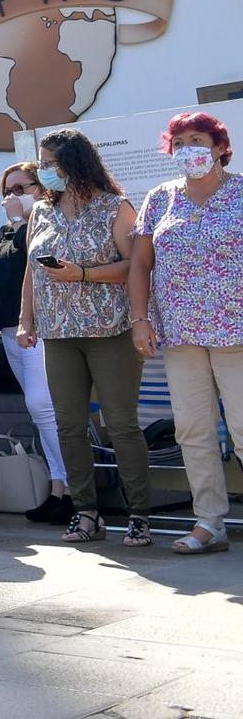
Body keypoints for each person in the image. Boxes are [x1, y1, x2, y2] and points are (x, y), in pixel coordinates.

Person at [19, 128, 150, 548]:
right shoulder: (40, 211)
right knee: (69, 426)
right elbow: (31, 270)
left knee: (122, 424)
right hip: (59, 333)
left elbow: (135, 265)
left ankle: (140, 515)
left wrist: (84, 273)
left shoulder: (115, 207)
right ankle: (86, 511)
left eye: (49, 163)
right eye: (41, 163)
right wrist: (26, 319)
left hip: (110, 329)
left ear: (75, 164)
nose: (43, 171)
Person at [131, 110, 243, 555]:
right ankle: (209, 523)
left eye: (197, 140)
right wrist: (141, 318)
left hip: (236, 330)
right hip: (180, 334)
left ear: (218, 146)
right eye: (179, 144)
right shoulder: (160, 199)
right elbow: (140, 265)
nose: (188, 151)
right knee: (193, 430)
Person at [0, 161, 70, 523]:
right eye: (8, 191)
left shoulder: (45, 224)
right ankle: (58, 488)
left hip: (41, 327)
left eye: (21, 188)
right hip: (9, 329)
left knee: (43, 406)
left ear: (40, 188)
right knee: (40, 413)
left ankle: (72, 488)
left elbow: (37, 263)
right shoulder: (6, 233)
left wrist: (17, 223)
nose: (14, 197)